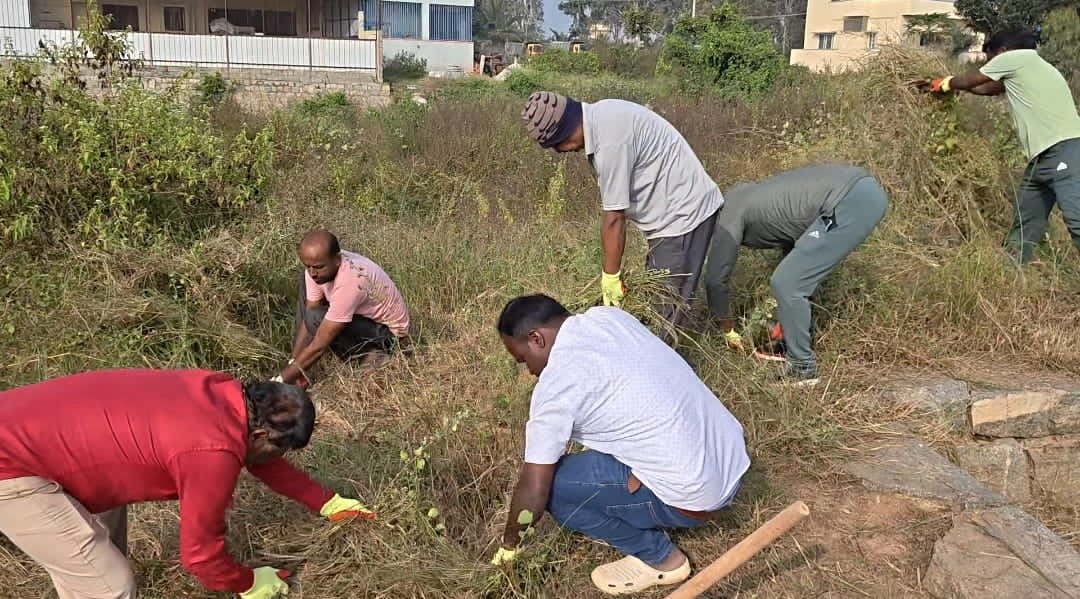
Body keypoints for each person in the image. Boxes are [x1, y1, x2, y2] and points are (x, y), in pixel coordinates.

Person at [0, 368, 374, 599]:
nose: (276, 459)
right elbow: (200, 557)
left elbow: (257, 455)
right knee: (109, 587)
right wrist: (247, 582)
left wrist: (326, 502)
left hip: (28, 430)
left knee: (100, 553)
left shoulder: (220, 394)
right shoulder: (211, 450)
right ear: (261, 434)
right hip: (10, 465)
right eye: (280, 449)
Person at [490, 294, 750, 596]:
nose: (529, 371)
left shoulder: (555, 387)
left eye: (523, 359)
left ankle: (660, 558)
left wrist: (510, 546)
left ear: (536, 338)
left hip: (697, 497)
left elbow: (534, 491)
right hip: (732, 459)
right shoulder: (609, 318)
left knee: (555, 488)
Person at [521, 91, 723, 328]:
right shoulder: (602, 115)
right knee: (656, 296)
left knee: (663, 313)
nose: (561, 152)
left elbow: (615, 219)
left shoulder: (610, 143)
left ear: (565, 136)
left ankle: (662, 350)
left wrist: (610, 277)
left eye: (558, 146)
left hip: (683, 216)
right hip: (671, 212)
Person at [703, 164, 888, 387]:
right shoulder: (742, 197)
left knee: (786, 284)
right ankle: (795, 345)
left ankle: (802, 369)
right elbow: (797, 246)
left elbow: (715, 280)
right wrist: (787, 321)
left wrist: (728, 330)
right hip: (858, 189)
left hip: (848, 200)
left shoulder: (726, 216)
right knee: (793, 279)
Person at [921, 30, 1080, 263]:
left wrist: (942, 83)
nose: (989, 65)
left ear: (1002, 51)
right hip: (1041, 159)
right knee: (1026, 220)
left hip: (1064, 150)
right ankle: (1013, 270)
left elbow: (972, 80)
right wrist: (955, 87)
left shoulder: (1014, 58)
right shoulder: (1033, 67)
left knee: (1076, 219)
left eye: (990, 58)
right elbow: (986, 89)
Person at [276, 229, 411, 385]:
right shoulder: (318, 268)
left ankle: (375, 355)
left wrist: (280, 381)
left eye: (318, 267)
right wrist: (294, 364)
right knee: (309, 301)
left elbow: (319, 344)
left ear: (337, 259)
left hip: (390, 337)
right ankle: (298, 372)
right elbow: (308, 315)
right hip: (362, 321)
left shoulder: (351, 281)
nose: (312, 273)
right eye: (308, 266)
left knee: (316, 318)